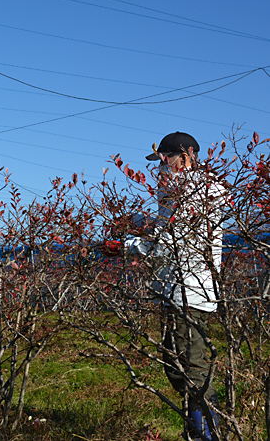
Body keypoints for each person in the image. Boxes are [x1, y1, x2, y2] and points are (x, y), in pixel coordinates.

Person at [126, 131, 224, 440]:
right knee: (180, 366)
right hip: (188, 290)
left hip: (188, 292)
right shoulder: (199, 190)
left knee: (189, 373)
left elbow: (171, 243)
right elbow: (173, 231)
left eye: (164, 161)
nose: (160, 169)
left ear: (184, 158)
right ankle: (201, 429)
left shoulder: (187, 192)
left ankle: (206, 434)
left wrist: (129, 245)